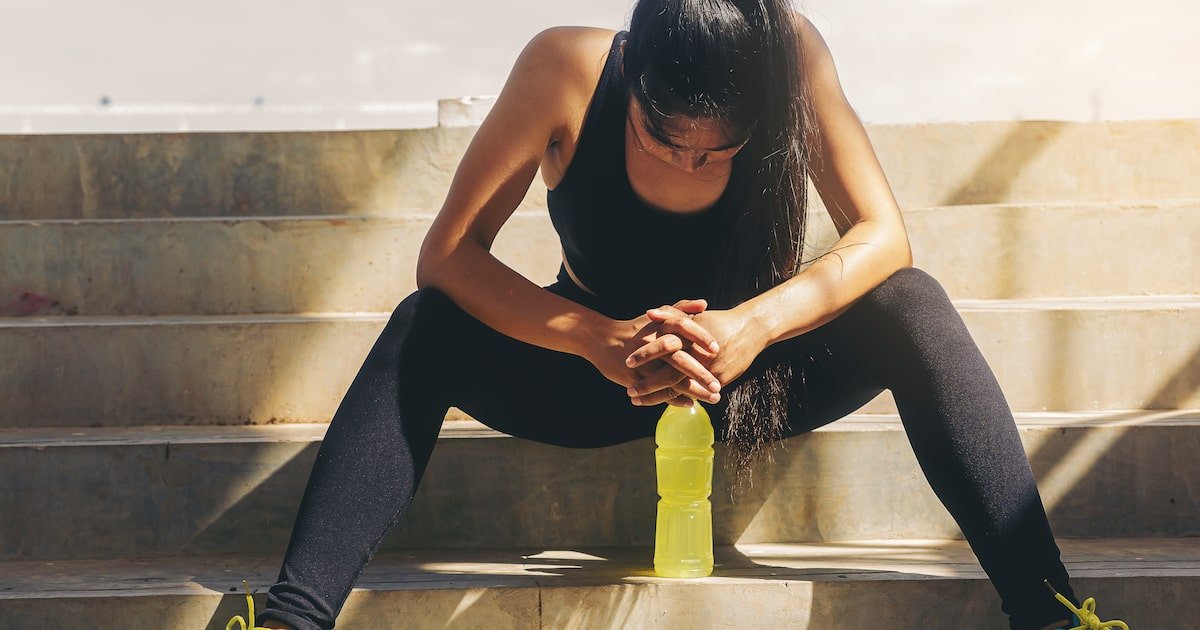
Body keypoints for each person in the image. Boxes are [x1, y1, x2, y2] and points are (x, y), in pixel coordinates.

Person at [238, 2, 1125, 629]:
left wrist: (755, 326)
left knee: (912, 302)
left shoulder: (792, 54)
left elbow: (884, 235)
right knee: (423, 325)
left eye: (722, 151)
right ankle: (292, 619)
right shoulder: (565, 69)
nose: (696, 166)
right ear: (635, 79)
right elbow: (448, 257)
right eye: (667, 140)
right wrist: (595, 339)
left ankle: (1049, 614)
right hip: (591, 379)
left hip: (750, 380)